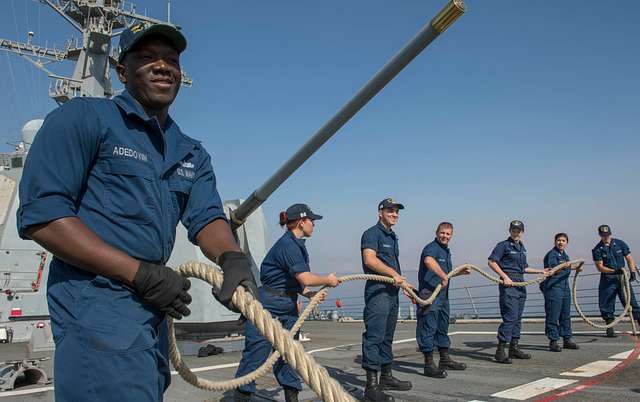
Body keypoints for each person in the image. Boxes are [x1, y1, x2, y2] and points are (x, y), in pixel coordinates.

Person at [16, 23, 257, 402]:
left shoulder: (190, 152)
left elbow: (207, 215)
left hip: (153, 310)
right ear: (122, 71)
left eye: (172, 60)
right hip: (96, 303)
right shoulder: (83, 119)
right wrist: (139, 274)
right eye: (147, 58)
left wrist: (232, 258)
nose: (163, 66)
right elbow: (44, 217)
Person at [233, 204, 339, 402]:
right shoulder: (288, 245)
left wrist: (308, 294)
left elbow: (295, 280)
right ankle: (241, 396)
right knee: (257, 353)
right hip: (268, 305)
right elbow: (305, 277)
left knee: (290, 354)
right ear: (301, 222)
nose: (314, 224)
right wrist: (328, 280)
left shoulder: (297, 244)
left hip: (287, 304)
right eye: (311, 220)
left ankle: (292, 397)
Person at [360, 198, 413, 402]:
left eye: (397, 211)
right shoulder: (372, 233)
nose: (394, 214)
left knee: (387, 337)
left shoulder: (392, 236)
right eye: (390, 210)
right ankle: (371, 387)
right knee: (374, 336)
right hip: (378, 292)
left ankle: (386, 377)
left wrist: (405, 286)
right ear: (380, 212)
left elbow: (393, 268)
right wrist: (393, 274)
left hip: (392, 293)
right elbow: (369, 259)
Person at [488, 220, 548, 364]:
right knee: (510, 317)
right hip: (509, 285)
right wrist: (505, 277)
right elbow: (491, 262)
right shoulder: (503, 245)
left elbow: (524, 268)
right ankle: (500, 350)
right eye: (514, 230)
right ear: (510, 230)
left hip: (520, 284)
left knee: (518, 318)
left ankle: (514, 348)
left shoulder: (522, 247)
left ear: (522, 232)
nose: (516, 232)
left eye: (518, 230)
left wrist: (541, 271)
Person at [416, 222, 470, 378]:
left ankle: (444, 359)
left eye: (448, 234)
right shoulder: (432, 248)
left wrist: (460, 272)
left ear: (451, 235)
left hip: (443, 296)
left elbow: (446, 274)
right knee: (428, 328)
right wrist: (442, 276)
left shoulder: (445, 251)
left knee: (442, 326)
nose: (444, 236)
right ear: (436, 232)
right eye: (442, 233)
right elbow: (429, 261)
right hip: (429, 294)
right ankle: (428, 364)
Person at [591, 224, 640, 338]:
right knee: (607, 304)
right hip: (608, 279)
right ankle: (610, 328)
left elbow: (629, 258)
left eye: (607, 235)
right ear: (600, 235)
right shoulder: (597, 249)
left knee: (631, 302)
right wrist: (614, 271)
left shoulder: (619, 243)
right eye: (603, 235)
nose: (606, 237)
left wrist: (632, 272)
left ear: (610, 234)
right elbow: (600, 267)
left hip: (622, 279)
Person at [541, 233, 580, 352]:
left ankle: (567, 339)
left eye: (563, 240)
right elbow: (554, 268)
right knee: (553, 314)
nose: (561, 242)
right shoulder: (551, 254)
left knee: (565, 314)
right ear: (555, 242)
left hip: (564, 288)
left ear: (567, 243)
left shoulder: (565, 255)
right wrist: (568, 266)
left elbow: (564, 266)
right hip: (554, 288)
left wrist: (575, 267)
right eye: (558, 240)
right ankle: (553, 341)